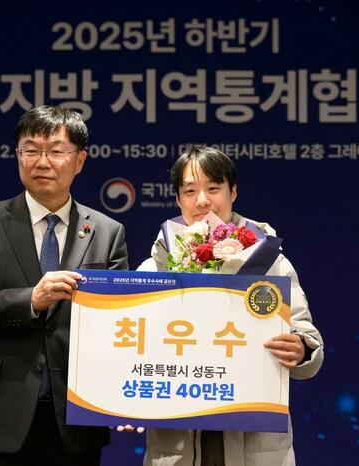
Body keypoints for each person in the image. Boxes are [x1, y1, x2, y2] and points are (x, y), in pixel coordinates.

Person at [0, 105, 129, 466]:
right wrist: (30, 300)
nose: (42, 162)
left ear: (79, 160)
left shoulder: (107, 232)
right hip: (0, 415)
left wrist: (122, 398)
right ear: (18, 156)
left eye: (56, 151)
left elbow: (119, 323)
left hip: (75, 420)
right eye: (31, 150)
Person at [136, 146, 323, 466]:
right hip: (177, 443)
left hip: (255, 444)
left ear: (232, 191)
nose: (202, 201)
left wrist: (302, 349)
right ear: (178, 199)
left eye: (213, 188)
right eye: (190, 191)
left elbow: (308, 341)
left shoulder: (270, 264)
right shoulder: (154, 269)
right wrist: (126, 403)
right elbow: (133, 350)